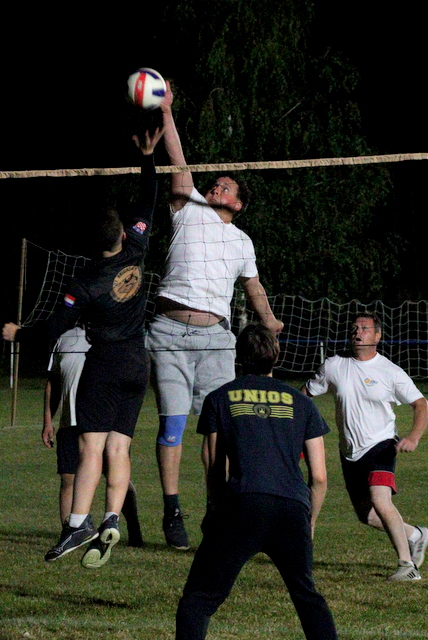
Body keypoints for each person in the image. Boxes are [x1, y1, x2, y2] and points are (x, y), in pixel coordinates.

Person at [3, 126, 164, 568]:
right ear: (121, 234)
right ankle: (112, 516)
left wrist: (18, 333)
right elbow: (148, 197)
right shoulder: (137, 247)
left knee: (91, 447)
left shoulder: (85, 283)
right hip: (139, 363)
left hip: (106, 364)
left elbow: (54, 328)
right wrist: (147, 157)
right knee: (119, 448)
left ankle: (77, 523)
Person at [147, 82, 284, 550]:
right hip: (170, 332)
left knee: (219, 430)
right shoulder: (189, 209)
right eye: (214, 182)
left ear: (237, 204)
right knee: (173, 425)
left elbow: (253, 287)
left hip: (218, 340)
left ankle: (218, 509)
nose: (215, 185)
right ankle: (172, 511)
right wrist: (167, 112)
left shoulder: (243, 241)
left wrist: (269, 321)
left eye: (225, 185)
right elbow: (179, 161)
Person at [175, 323, 337, 640]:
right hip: (291, 509)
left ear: (238, 356)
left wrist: (215, 511)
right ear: (277, 354)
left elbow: (213, 464)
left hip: (243, 504)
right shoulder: (303, 403)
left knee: (200, 598)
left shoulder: (219, 398)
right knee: (307, 597)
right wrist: (309, 522)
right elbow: (319, 477)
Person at [302, 312, 428, 581]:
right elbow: (305, 395)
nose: (358, 332)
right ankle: (416, 534)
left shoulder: (390, 371)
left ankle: (407, 566)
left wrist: (414, 437)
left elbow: (421, 404)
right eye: (354, 328)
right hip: (349, 452)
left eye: (364, 328)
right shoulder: (334, 366)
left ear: (377, 336)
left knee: (380, 500)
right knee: (367, 516)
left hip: (382, 445)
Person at [43, 326, 144, 547]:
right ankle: (70, 534)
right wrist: (48, 421)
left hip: (104, 423)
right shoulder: (64, 339)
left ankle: (131, 526)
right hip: (71, 422)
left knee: (117, 477)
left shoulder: (113, 334)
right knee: (68, 479)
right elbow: (53, 381)